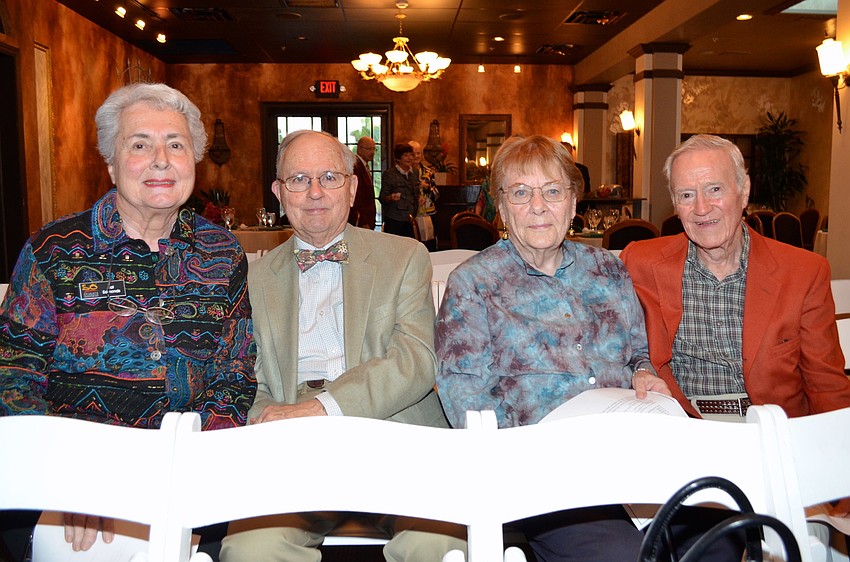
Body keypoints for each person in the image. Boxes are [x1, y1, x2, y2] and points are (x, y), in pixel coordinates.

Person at [0, 83, 256, 560]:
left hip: (186, 470)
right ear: (112, 164)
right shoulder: (54, 250)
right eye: (140, 145)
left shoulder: (222, 252)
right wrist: (64, 478)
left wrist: (197, 475)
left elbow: (234, 372)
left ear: (193, 162)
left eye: (176, 145)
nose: (161, 160)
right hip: (74, 474)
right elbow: (14, 376)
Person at [220, 130, 465, 562]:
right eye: (299, 179)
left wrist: (322, 409)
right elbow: (244, 377)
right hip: (292, 446)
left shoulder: (404, 256)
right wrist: (269, 422)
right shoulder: (253, 279)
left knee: (437, 545)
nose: (314, 192)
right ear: (279, 193)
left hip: (397, 433)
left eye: (330, 177)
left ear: (352, 189)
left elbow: (415, 360)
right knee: (249, 550)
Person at [435, 134, 672, 562]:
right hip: (543, 475)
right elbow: (465, 398)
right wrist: (534, 458)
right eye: (520, 193)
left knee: (720, 536)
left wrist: (644, 374)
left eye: (552, 191)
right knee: (624, 556)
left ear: (573, 203)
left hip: (630, 455)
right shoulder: (473, 284)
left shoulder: (607, 269)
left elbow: (638, 353)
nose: (538, 206)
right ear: (501, 207)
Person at [621, 134, 850, 421]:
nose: (702, 208)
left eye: (715, 189)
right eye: (687, 195)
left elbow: (825, 384)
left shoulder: (803, 272)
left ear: (744, 191)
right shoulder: (639, 262)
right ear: (675, 204)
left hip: (770, 426)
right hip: (684, 425)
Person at [379, 143, 419, 238]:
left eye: (411, 155)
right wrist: (391, 197)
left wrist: (420, 197)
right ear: (398, 158)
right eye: (405, 155)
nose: (409, 158)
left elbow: (416, 193)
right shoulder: (389, 174)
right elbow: (382, 198)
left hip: (410, 219)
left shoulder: (414, 173)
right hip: (394, 220)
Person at [409, 140, 439, 251]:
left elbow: (437, 194)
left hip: (428, 213)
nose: (416, 156)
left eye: (419, 153)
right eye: (413, 153)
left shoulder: (429, 172)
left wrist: (427, 188)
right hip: (411, 213)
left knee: (428, 243)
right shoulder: (405, 172)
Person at [348, 135, 377, 230]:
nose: (372, 152)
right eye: (369, 149)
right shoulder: (355, 166)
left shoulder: (364, 165)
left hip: (368, 219)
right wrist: (364, 221)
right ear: (359, 149)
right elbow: (357, 196)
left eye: (374, 149)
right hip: (361, 221)